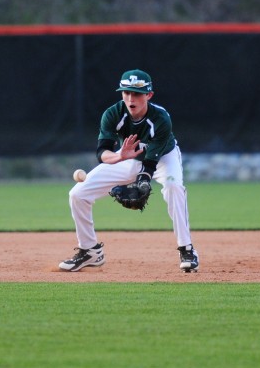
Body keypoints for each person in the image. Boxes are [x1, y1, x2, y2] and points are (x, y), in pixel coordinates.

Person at [59, 69, 199, 273]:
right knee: (77, 194)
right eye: (126, 92)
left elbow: (151, 162)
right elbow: (102, 152)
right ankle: (90, 251)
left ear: (149, 95)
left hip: (163, 159)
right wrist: (119, 157)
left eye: (137, 93)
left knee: (173, 186)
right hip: (128, 158)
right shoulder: (113, 114)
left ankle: (186, 249)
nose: (131, 98)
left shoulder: (160, 117)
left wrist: (143, 180)